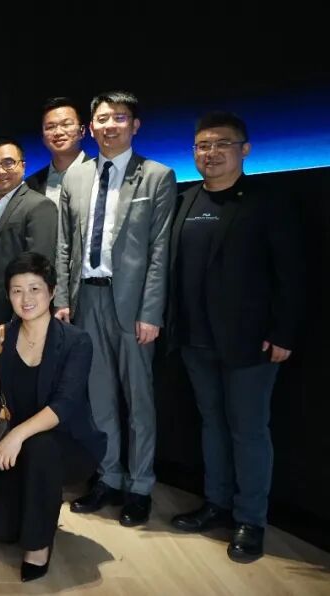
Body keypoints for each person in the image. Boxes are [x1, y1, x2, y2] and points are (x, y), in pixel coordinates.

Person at [166, 112, 303, 563]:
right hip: (195, 339)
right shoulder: (185, 200)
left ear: (244, 149)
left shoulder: (267, 202)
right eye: (202, 145)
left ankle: (250, 520)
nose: (211, 153)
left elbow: (291, 273)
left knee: (248, 431)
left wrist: (283, 331)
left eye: (221, 144)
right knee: (212, 424)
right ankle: (217, 504)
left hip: (250, 343)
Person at [56, 91, 177, 527]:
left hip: (133, 305)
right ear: (90, 127)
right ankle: (108, 476)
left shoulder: (157, 176)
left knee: (138, 399)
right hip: (86, 299)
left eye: (120, 118)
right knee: (99, 396)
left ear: (135, 125)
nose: (110, 126)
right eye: (103, 119)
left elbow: (160, 251)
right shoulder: (76, 176)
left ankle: (140, 485)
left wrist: (151, 311)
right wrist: (62, 299)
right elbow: (64, 245)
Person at [0, 252, 105, 582]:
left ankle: (38, 547)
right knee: (0, 529)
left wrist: (16, 435)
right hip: (17, 447)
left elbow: (65, 405)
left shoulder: (76, 341)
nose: (26, 298)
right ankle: (40, 507)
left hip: (69, 445)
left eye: (35, 289)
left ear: (51, 291)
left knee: (41, 446)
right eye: (17, 290)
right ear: (8, 295)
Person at [0, 137, 57, 332]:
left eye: (8, 163)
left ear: (23, 166)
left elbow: (39, 269)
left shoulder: (38, 206)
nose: (0, 171)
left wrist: (22, 317)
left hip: (15, 314)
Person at [26, 97, 91, 204]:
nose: (58, 132)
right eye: (50, 127)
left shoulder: (102, 174)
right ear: (42, 136)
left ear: (82, 131)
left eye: (66, 124)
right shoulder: (30, 185)